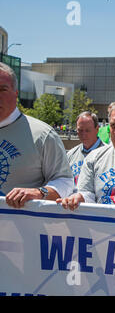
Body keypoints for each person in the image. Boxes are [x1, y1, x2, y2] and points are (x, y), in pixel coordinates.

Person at [0, 62, 74, 207]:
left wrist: (39, 193)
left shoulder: (43, 135)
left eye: (2, 89)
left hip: (21, 226)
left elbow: (65, 181)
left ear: (16, 93)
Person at [66, 111, 105, 186]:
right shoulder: (71, 155)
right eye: (80, 130)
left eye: (87, 130)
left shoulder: (108, 154)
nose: (83, 134)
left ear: (97, 129)